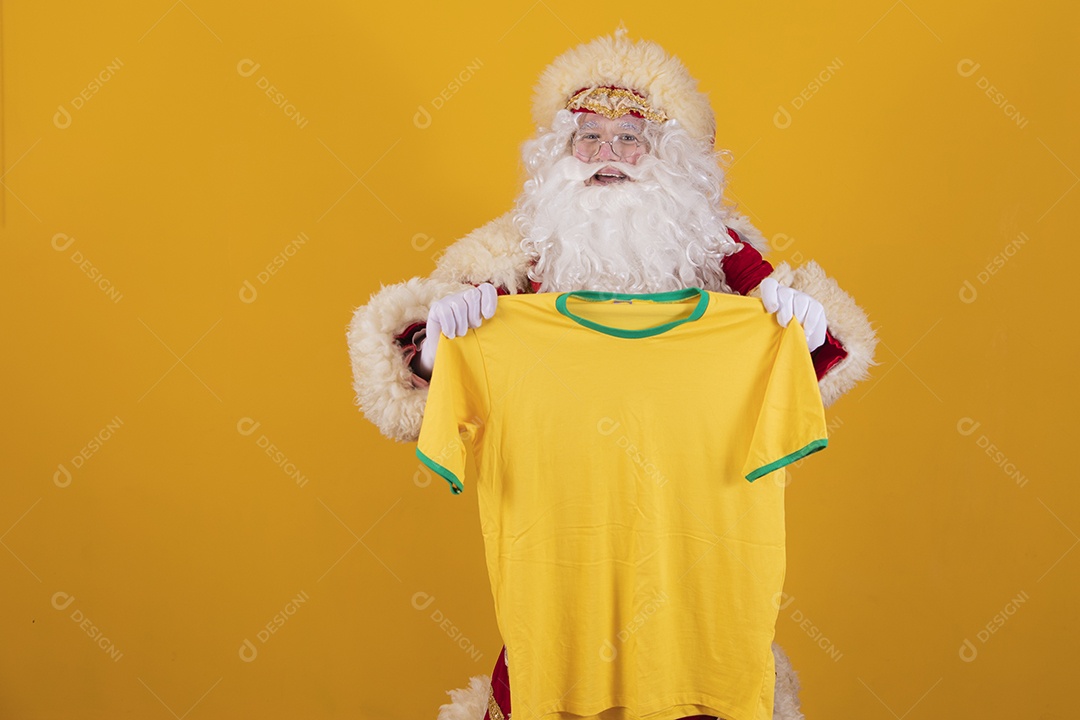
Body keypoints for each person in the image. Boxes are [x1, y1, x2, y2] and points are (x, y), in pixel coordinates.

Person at [347, 29, 877, 720]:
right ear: (556, 155)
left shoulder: (723, 254)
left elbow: (807, 377)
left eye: (630, 138)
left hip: (694, 565)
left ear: (668, 157)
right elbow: (420, 394)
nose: (607, 156)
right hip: (566, 569)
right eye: (586, 138)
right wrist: (434, 349)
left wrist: (803, 328)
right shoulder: (513, 260)